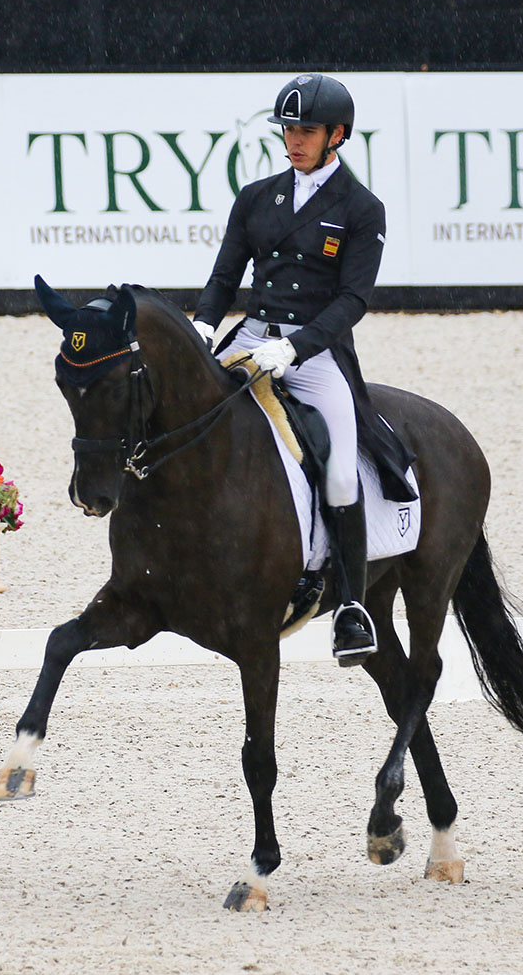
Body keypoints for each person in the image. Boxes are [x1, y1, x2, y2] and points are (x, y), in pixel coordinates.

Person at [193, 72, 415, 668]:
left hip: (313, 354)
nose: (294, 139)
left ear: (337, 135)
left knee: (341, 477)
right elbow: (224, 276)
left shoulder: (362, 209)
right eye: (288, 128)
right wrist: (203, 328)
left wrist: (296, 349)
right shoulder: (257, 196)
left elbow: (354, 301)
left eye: (308, 130)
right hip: (252, 338)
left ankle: (349, 608)